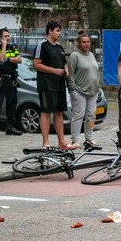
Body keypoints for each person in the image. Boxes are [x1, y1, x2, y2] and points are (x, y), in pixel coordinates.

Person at [33, 21, 73, 150]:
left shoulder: (59, 47)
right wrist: (54, 70)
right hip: (46, 85)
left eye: (60, 31)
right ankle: (46, 143)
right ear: (50, 31)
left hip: (59, 85)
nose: (60, 33)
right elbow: (36, 64)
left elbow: (64, 63)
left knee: (59, 112)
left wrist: (66, 70)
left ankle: (62, 142)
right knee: (46, 112)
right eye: (57, 30)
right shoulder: (42, 45)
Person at [67, 31, 101, 148]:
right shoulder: (74, 56)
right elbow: (70, 74)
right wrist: (72, 89)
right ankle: (75, 140)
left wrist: (98, 85)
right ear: (79, 43)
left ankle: (89, 138)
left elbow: (96, 71)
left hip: (93, 91)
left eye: (88, 42)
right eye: (84, 42)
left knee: (91, 116)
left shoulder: (91, 55)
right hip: (79, 91)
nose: (86, 44)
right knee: (78, 115)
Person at [0, 28, 23, 137]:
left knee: (12, 104)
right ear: (0, 38)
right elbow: (1, 59)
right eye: (5, 36)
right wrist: (3, 47)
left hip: (11, 79)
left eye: (8, 36)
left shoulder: (12, 47)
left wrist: (8, 59)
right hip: (0, 79)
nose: (8, 38)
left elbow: (19, 59)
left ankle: (10, 127)